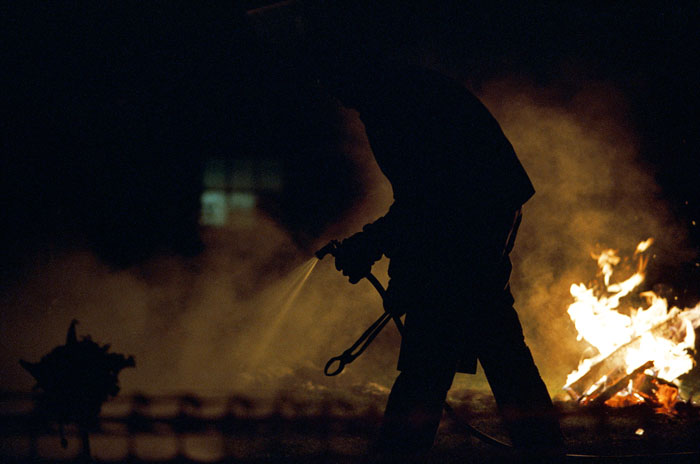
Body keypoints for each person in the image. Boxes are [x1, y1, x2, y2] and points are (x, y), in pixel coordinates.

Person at [328, 65, 564, 460]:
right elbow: (424, 202)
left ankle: (400, 452)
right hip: (482, 216)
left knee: (430, 359)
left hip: (475, 220)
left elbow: (432, 201)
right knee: (498, 346)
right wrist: (392, 255)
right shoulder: (399, 95)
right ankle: (544, 449)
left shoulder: (400, 104)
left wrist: (375, 245)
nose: (331, 92)